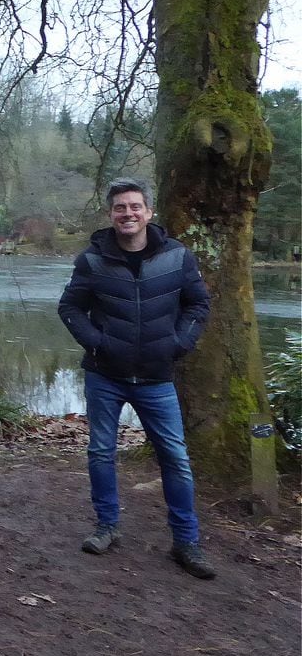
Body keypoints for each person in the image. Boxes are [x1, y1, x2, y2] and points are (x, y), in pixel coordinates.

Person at [58, 177, 215, 579]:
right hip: (104, 375)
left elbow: (198, 303)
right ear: (110, 214)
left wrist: (179, 344)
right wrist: (97, 343)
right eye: (119, 208)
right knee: (100, 452)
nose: (128, 214)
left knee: (175, 457)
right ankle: (107, 527)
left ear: (148, 212)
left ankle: (186, 542)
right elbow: (70, 308)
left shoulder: (178, 258)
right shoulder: (92, 261)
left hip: (157, 377)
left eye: (135, 207)